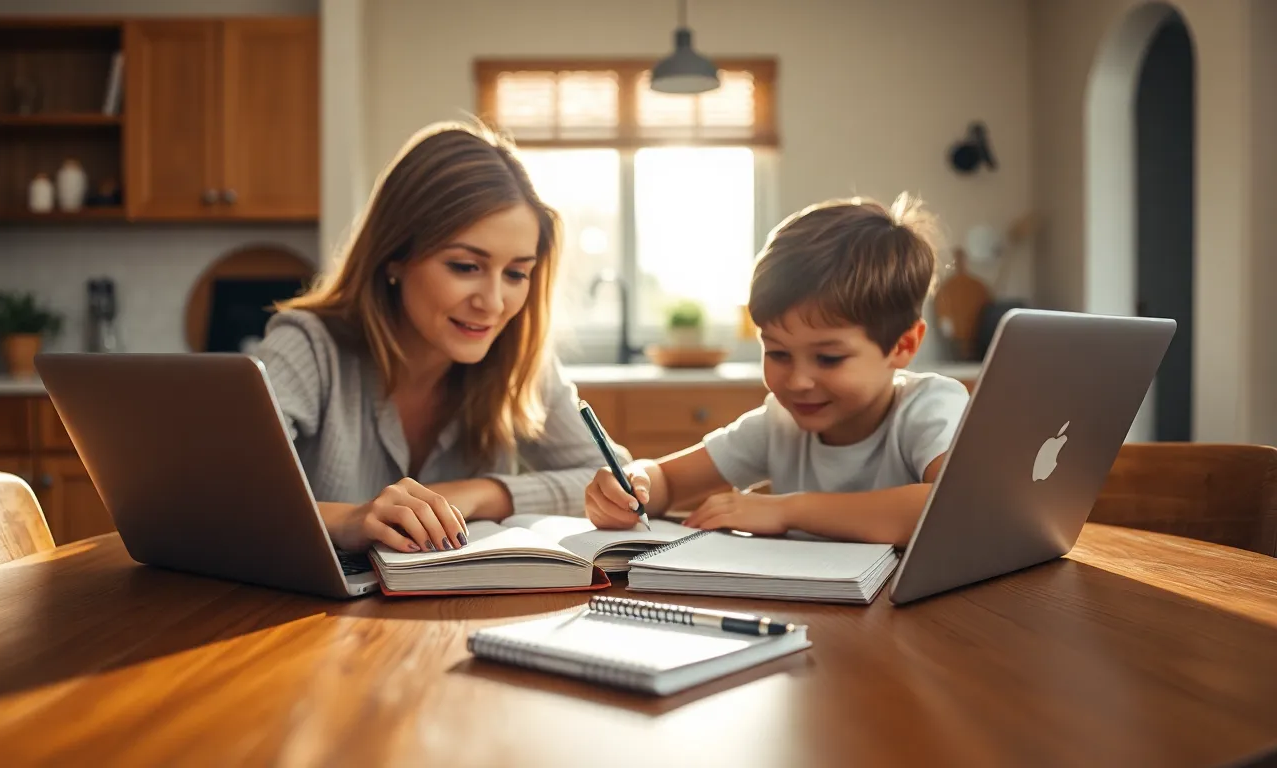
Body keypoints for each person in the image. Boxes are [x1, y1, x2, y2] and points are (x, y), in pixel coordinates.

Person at [257, 120, 627, 555]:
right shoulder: (309, 347)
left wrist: (479, 493)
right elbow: (215, 494)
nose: (492, 303)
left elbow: (616, 479)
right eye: (465, 267)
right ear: (395, 257)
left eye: (515, 274)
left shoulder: (517, 356)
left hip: (454, 615)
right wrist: (348, 519)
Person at [584, 194, 970, 547]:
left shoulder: (930, 404)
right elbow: (667, 479)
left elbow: (953, 506)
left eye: (829, 358)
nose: (798, 382)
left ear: (903, 346)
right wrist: (631, 483)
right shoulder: (778, 424)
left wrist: (787, 510)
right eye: (778, 353)